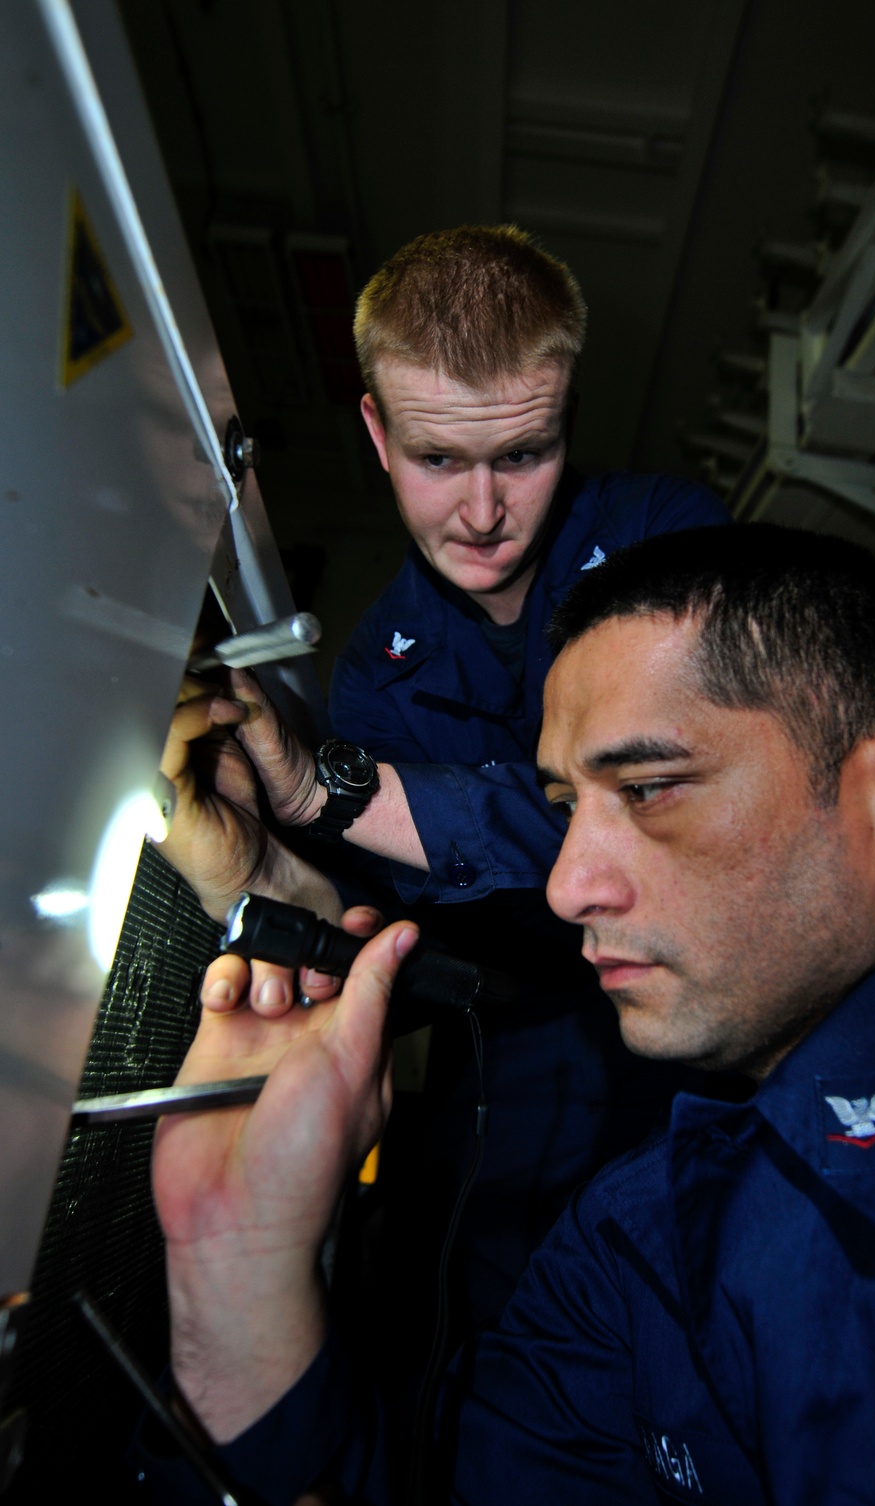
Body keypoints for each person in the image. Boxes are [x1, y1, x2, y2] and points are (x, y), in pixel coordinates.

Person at [144, 522, 875, 1505]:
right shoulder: (627, 1243)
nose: (568, 887)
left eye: (647, 789)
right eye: (565, 808)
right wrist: (236, 1270)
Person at [167, 225, 730, 1379]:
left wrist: (334, 787)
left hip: (708, 1036)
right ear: (375, 432)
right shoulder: (377, 671)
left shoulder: (669, 545)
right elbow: (394, 935)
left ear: (567, 414)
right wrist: (256, 868)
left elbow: (647, 818)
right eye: (436, 459)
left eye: (521, 454)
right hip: (512, 1068)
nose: (480, 512)